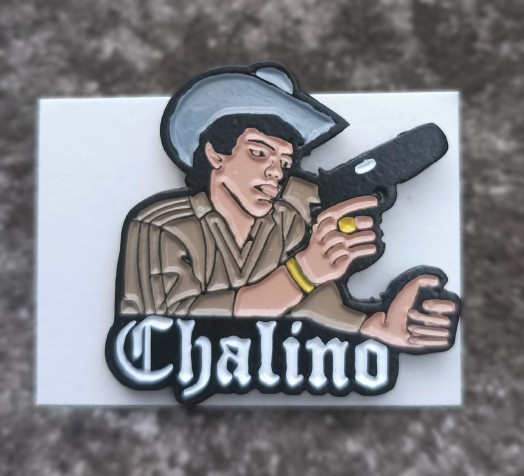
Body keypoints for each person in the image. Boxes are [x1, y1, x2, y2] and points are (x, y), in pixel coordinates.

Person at [116, 62, 457, 351]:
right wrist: (303, 271)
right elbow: (170, 323)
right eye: (259, 153)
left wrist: (373, 326)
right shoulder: (161, 225)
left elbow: (307, 304)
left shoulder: (286, 221)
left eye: (284, 162)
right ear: (215, 154)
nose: (275, 173)